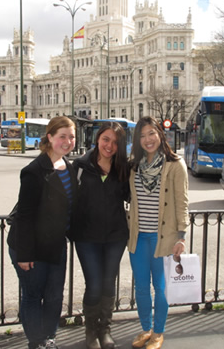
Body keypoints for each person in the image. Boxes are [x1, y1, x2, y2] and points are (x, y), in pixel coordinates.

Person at [7, 116, 77, 349]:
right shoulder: (34, 171)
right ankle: (36, 342)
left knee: (55, 296)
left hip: (56, 244)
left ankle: (49, 337)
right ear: (50, 137)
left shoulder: (68, 166)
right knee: (33, 295)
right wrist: (25, 255)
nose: (68, 142)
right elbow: (25, 216)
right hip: (31, 246)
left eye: (71, 136)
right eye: (62, 137)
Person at [127, 116, 189, 349]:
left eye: (151, 133)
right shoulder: (134, 166)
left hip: (163, 237)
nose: (147, 139)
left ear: (160, 135)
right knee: (141, 287)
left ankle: (158, 332)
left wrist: (181, 236)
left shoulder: (174, 164)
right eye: (142, 136)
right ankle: (146, 329)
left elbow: (182, 202)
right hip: (138, 236)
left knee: (160, 287)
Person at [71, 122, 129, 349]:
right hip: (87, 237)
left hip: (115, 236)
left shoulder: (123, 168)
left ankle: (105, 328)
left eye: (115, 142)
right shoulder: (81, 166)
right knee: (94, 284)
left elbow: (132, 197)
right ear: (97, 139)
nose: (110, 145)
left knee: (108, 283)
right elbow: (69, 199)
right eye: (106, 139)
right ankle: (91, 331)